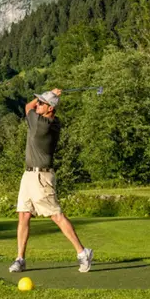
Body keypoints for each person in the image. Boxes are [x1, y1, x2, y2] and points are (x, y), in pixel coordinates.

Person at [9, 89, 93, 274]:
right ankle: (20, 258)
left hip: (41, 177)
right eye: (38, 102)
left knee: (56, 215)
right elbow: (33, 106)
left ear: (50, 108)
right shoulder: (55, 122)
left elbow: (27, 107)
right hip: (29, 175)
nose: (37, 104)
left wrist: (51, 92)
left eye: (41, 103)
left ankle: (82, 252)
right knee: (23, 215)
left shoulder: (40, 124)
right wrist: (49, 96)